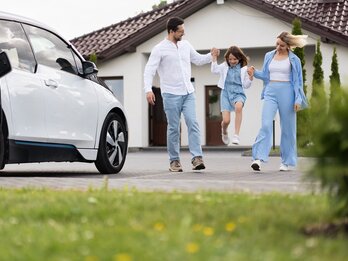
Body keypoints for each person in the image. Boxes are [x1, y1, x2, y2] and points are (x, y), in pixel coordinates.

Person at [144, 17, 217, 172]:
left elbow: (197, 60)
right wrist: (148, 89)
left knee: (193, 122)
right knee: (174, 128)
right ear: (172, 31)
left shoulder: (186, 45)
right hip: (170, 94)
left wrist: (211, 56)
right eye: (181, 31)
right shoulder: (159, 49)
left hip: (188, 92)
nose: (183, 34)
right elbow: (149, 70)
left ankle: (197, 158)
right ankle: (174, 161)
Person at [248, 31, 308, 172]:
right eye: (277, 44)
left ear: (288, 46)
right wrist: (254, 72)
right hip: (270, 91)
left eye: (281, 45)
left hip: (288, 93)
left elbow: (298, 82)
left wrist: (298, 99)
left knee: (288, 129)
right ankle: (258, 158)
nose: (278, 47)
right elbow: (265, 75)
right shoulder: (269, 56)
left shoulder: (294, 60)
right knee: (266, 124)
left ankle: (286, 162)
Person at [211, 46, 253, 145]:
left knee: (239, 107)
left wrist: (250, 77)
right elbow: (214, 71)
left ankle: (236, 135)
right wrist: (214, 57)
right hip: (226, 94)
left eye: (235, 59)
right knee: (226, 120)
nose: (232, 61)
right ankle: (224, 132)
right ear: (227, 59)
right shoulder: (225, 66)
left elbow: (246, 85)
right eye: (230, 59)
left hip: (238, 93)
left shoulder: (244, 69)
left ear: (239, 58)